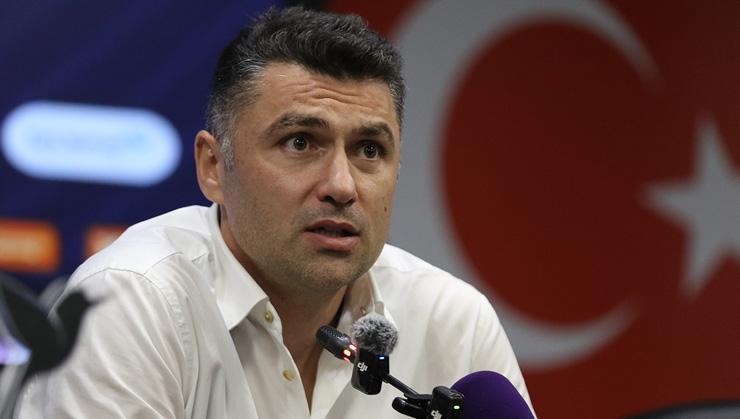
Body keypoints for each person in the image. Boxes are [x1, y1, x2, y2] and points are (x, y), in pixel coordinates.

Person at [19, 6, 534, 418]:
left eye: (369, 149)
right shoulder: (133, 301)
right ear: (214, 166)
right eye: (300, 142)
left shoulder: (452, 322)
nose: (341, 186)